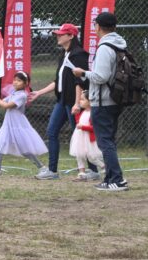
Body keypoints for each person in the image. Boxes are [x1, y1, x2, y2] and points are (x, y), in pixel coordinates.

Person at [29, 23, 98, 180]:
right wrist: (39, 92)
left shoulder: (79, 55)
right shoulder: (64, 54)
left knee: (80, 134)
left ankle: (93, 170)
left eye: (61, 34)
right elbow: (58, 81)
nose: (58, 36)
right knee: (52, 131)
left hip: (73, 102)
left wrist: (77, 103)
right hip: (62, 100)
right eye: (58, 34)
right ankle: (52, 171)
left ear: (71, 36)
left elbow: (80, 81)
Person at [73, 12, 129, 191]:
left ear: (98, 26)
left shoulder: (105, 47)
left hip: (104, 102)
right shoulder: (119, 44)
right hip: (113, 99)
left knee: (105, 142)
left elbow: (101, 76)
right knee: (108, 141)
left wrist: (82, 73)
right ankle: (110, 178)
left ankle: (117, 179)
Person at [0, 72, 48, 178]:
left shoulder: (22, 95)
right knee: (0, 144)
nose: (15, 82)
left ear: (26, 83)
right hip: (8, 124)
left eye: (19, 81)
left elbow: (7, 105)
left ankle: (42, 168)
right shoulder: (14, 94)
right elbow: (1, 102)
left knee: (25, 150)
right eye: (15, 80)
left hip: (18, 125)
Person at [69, 91, 105, 181]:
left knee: (92, 157)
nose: (79, 101)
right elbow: (79, 122)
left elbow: (94, 128)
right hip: (80, 137)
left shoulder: (93, 114)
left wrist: (83, 127)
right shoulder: (83, 112)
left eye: (82, 99)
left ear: (90, 101)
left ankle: (105, 167)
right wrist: (76, 114)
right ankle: (81, 173)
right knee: (79, 154)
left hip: (89, 138)